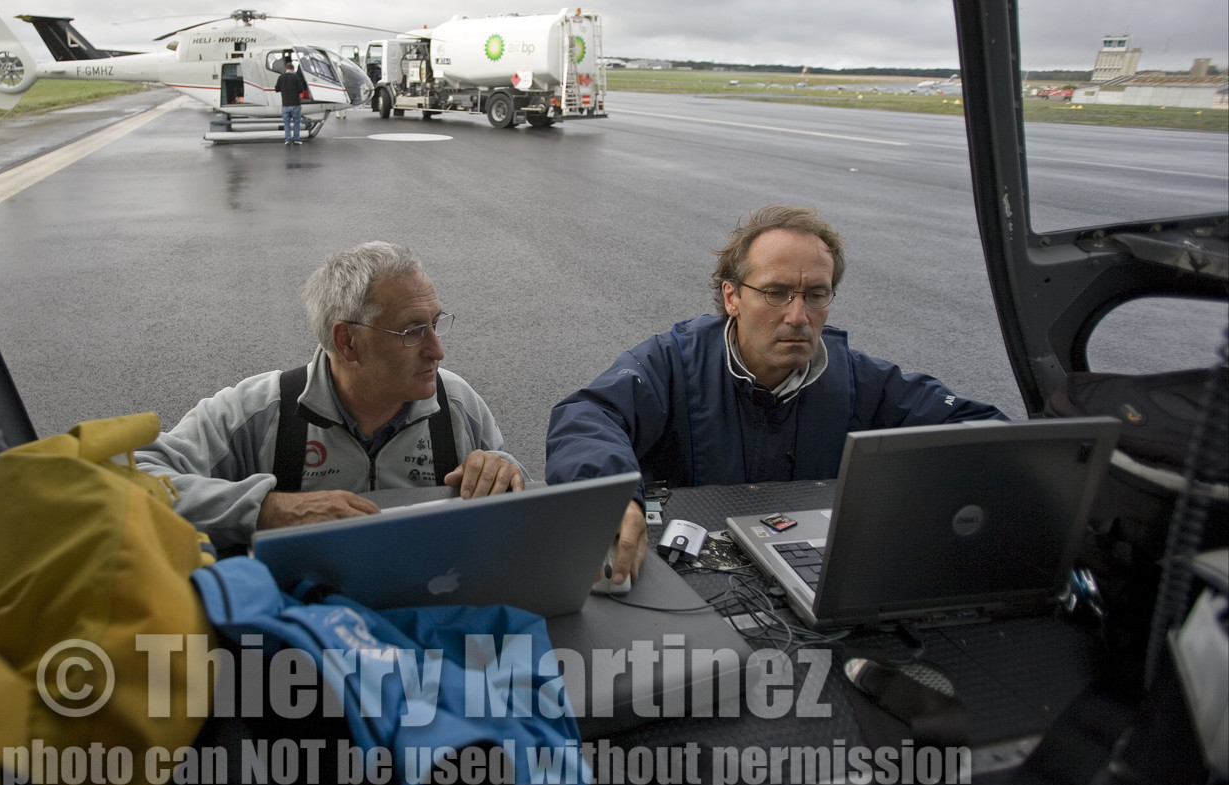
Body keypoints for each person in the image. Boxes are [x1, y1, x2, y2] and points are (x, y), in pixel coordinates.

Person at [545, 205, 1006, 586]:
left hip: (809, 580)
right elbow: (589, 416)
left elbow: (979, 432)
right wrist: (608, 496)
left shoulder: (859, 381)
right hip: (686, 578)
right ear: (732, 297)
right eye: (776, 293)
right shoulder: (673, 362)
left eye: (816, 295)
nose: (798, 316)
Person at [137, 242, 526, 552]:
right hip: (300, 642)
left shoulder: (458, 406)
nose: (437, 351)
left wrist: (505, 473)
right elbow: (128, 481)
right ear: (348, 342)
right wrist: (268, 509)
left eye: (436, 323)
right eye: (412, 332)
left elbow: (526, 522)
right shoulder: (259, 411)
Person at [274, 59, 308, 145]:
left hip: (285, 104)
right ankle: (296, 139)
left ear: (286, 69)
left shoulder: (281, 77)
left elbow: (277, 89)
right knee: (296, 122)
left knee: (286, 123)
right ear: (293, 69)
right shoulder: (296, 77)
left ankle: (287, 139)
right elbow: (301, 89)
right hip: (295, 103)